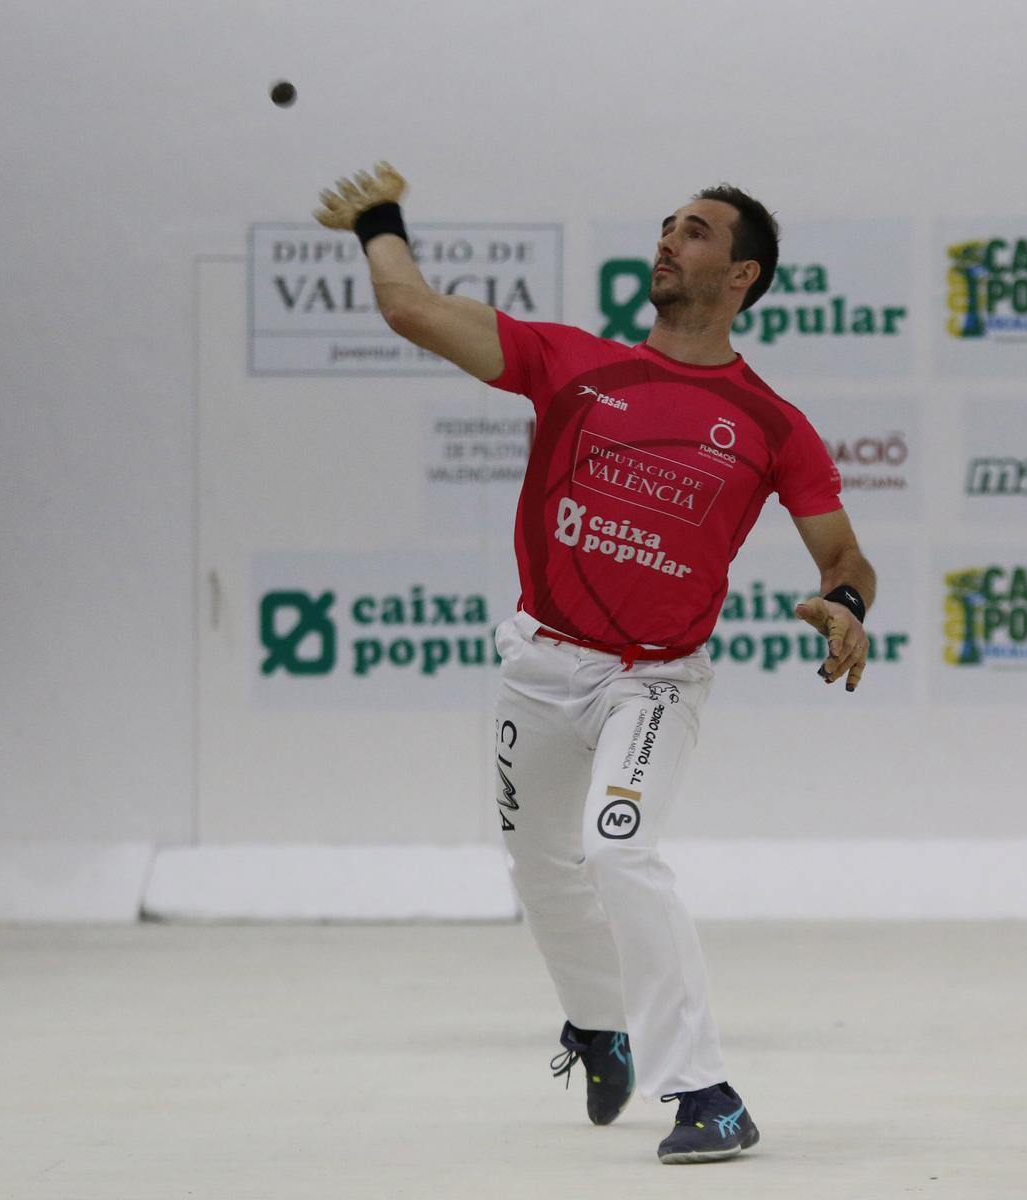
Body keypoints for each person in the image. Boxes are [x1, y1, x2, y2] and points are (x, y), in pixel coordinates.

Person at [315, 163, 875, 1164]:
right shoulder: (569, 363)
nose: (669, 240)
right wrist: (380, 222)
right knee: (542, 870)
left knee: (617, 849)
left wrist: (843, 607)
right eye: (666, 226)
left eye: (695, 231)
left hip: (653, 679)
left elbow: (846, 556)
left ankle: (707, 1092)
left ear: (742, 274)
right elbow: (407, 307)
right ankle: (598, 1028)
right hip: (538, 665)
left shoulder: (772, 425)